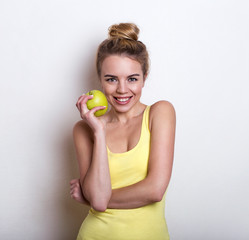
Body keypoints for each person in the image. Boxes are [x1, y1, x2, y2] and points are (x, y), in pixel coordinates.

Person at [69, 23, 176, 240]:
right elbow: (97, 201)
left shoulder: (160, 113)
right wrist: (98, 132)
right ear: (100, 80)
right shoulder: (84, 130)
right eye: (111, 79)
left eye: (132, 79)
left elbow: (155, 191)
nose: (122, 89)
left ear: (144, 77)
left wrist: (93, 199)